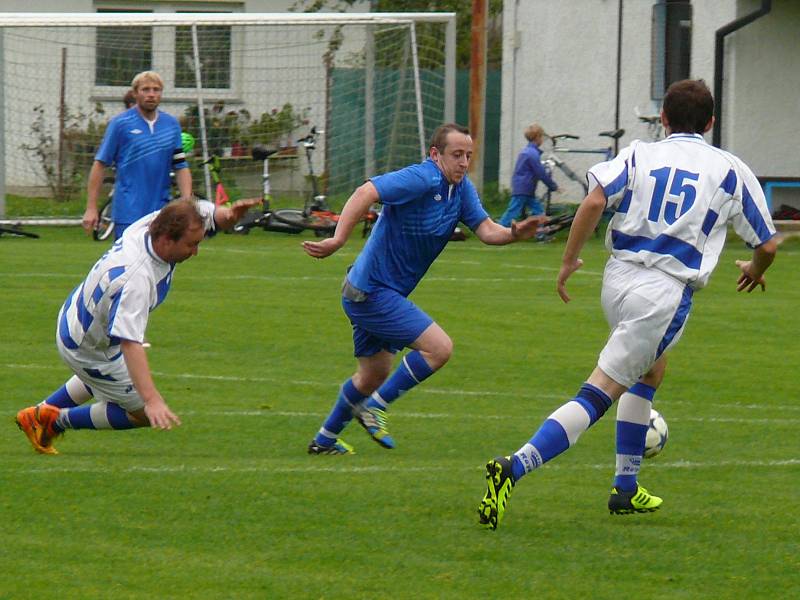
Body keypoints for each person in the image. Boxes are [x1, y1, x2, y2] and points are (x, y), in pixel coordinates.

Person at [477, 79, 778, 529]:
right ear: (712, 122)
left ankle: (625, 488)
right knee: (601, 389)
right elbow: (768, 245)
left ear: (663, 119)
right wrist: (754, 269)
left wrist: (568, 259)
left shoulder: (640, 152)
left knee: (653, 369)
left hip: (617, 279)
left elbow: (596, 197)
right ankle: (514, 467)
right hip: (663, 292)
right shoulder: (729, 168)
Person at [301, 123, 548, 455]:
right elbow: (366, 192)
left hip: (378, 292)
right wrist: (338, 238)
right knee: (439, 349)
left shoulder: (460, 190)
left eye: (468, 156)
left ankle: (324, 440)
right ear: (436, 154)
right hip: (371, 290)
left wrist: (515, 233)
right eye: (456, 154)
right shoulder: (423, 177)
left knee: (373, 374)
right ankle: (375, 408)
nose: (463, 162)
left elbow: (488, 231)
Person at [15, 196, 259, 455]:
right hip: (88, 348)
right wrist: (152, 400)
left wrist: (229, 216)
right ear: (167, 240)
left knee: (110, 378)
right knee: (141, 413)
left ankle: (38, 413)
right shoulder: (137, 280)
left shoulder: (154, 223)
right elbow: (130, 342)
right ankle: (55, 421)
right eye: (192, 244)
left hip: (75, 316)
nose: (196, 251)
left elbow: (203, 212)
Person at [82, 71, 193, 240]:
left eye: (156, 90)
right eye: (146, 89)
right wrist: (91, 208)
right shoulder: (120, 124)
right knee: (128, 264)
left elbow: (180, 166)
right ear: (135, 93)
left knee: (159, 263)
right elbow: (100, 164)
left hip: (161, 212)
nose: (151, 94)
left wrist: (187, 202)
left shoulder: (171, 125)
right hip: (128, 211)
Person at [497, 123, 558, 227]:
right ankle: (498, 229)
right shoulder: (532, 154)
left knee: (538, 211)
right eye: (541, 137)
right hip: (524, 188)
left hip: (524, 187)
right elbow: (540, 173)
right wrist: (553, 186)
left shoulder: (527, 152)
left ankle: (540, 233)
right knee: (513, 211)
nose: (542, 140)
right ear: (537, 137)